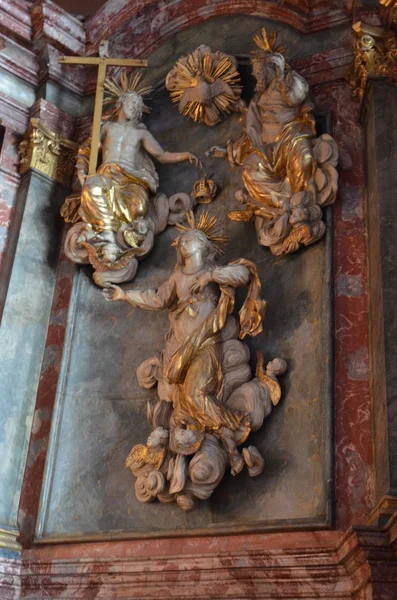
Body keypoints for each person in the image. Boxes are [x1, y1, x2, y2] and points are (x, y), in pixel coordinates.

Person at [103, 213, 266, 475]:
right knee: (185, 398)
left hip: (205, 344)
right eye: (182, 240)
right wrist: (124, 295)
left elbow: (243, 274)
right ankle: (227, 441)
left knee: (194, 394)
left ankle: (232, 441)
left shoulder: (214, 271)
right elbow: (157, 298)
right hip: (181, 348)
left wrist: (212, 276)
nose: (184, 242)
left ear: (203, 245)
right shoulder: (178, 277)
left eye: (191, 239)